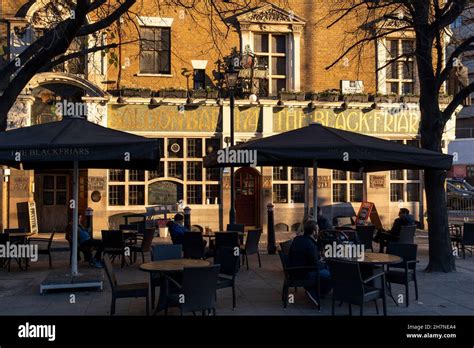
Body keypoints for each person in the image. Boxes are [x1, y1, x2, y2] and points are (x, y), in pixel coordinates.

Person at [288, 219, 332, 308]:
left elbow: (308, 258)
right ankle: (314, 291)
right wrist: (326, 264)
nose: (318, 232)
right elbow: (315, 265)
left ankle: (316, 290)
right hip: (304, 273)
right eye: (318, 230)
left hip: (294, 270)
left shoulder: (298, 239)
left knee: (327, 270)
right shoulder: (310, 244)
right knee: (331, 274)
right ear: (314, 231)